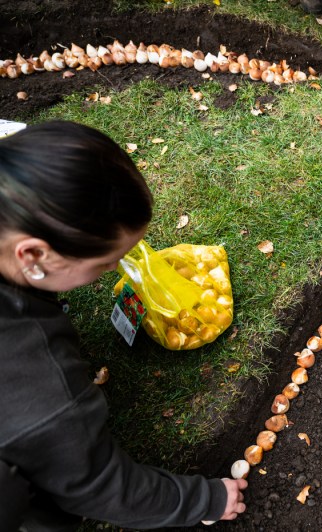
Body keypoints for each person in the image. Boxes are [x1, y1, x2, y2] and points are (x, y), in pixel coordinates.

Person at [0, 121, 247, 530]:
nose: (115, 268)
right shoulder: (39, 386)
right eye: (103, 264)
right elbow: (99, 484)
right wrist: (206, 499)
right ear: (33, 255)